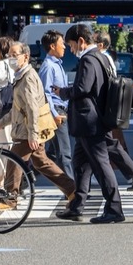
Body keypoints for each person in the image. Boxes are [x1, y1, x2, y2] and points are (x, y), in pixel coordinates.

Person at [51, 24, 125, 223]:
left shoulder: (88, 59)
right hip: (93, 120)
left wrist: (63, 92)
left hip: (89, 121)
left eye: (72, 45)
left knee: (101, 165)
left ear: (81, 41)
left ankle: (114, 209)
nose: (72, 50)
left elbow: (82, 88)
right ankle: (77, 205)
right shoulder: (101, 57)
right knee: (80, 165)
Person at [0, 41, 76, 207]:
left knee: (14, 161)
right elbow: (17, 109)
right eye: (9, 55)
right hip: (27, 128)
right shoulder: (21, 76)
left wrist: (33, 134)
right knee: (41, 162)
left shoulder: (28, 77)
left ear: (26, 57)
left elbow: (32, 109)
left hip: (27, 130)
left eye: (15, 55)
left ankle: (10, 198)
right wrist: (0, 123)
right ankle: (72, 189)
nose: (11, 58)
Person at [96, 30, 133, 190]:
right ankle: (78, 189)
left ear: (101, 44)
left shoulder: (102, 58)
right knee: (107, 145)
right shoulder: (105, 58)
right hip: (109, 108)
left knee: (110, 145)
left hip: (107, 109)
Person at [38, 30, 73, 178]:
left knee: (51, 154)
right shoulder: (48, 66)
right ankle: (72, 190)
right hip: (57, 112)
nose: (64, 47)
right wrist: (54, 114)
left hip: (63, 110)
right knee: (64, 153)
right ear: (52, 46)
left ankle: (23, 181)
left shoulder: (57, 64)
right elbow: (45, 94)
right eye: (61, 44)